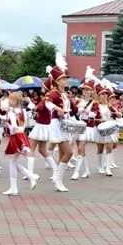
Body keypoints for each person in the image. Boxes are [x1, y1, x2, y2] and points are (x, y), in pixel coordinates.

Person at [45, 53, 75, 192]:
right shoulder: (54, 93)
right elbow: (47, 103)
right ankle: (57, 178)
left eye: (65, 78)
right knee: (68, 153)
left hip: (65, 124)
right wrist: (57, 108)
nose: (65, 81)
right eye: (63, 79)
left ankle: (58, 180)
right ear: (57, 81)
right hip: (57, 124)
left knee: (63, 154)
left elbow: (72, 109)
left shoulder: (64, 94)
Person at [1, 92, 40, 195]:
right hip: (22, 135)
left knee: (12, 163)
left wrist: (8, 125)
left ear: (14, 101)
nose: (8, 101)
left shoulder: (11, 112)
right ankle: (30, 177)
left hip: (16, 137)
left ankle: (16, 187)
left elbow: (13, 128)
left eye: (10, 99)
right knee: (12, 162)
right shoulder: (22, 111)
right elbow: (23, 126)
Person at [26, 77, 58, 181]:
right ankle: (56, 170)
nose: (42, 88)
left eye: (43, 86)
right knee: (42, 149)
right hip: (44, 126)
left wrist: (29, 102)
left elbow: (37, 108)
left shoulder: (46, 99)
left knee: (31, 148)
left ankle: (30, 173)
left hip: (41, 126)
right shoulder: (48, 98)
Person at [72, 67, 97, 180]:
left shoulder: (94, 102)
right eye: (85, 89)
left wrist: (88, 112)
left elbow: (95, 114)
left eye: (88, 90)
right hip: (78, 125)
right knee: (80, 148)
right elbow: (74, 111)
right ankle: (86, 171)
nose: (86, 91)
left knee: (81, 146)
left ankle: (76, 172)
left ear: (92, 91)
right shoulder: (79, 101)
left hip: (87, 127)